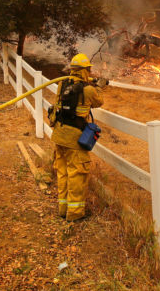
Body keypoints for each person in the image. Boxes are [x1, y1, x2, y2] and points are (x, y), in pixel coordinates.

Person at [49, 53, 105, 221]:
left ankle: (62, 208)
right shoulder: (88, 90)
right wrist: (99, 86)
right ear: (85, 70)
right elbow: (98, 101)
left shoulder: (61, 84)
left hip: (59, 134)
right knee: (76, 174)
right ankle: (74, 214)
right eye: (89, 69)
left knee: (63, 172)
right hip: (74, 139)